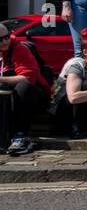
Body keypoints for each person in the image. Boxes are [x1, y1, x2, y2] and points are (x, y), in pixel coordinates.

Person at [0, 21, 51, 155]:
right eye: (0, 40)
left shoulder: (20, 49)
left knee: (24, 86)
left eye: (6, 37)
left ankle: (21, 135)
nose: (4, 42)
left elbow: (27, 78)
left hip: (34, 96)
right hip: (6, 99)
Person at [53, 29, 87, 138]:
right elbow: (73, 98)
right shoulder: (76, 65)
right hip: (66, 110)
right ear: (85, 52)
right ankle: (78, 127)